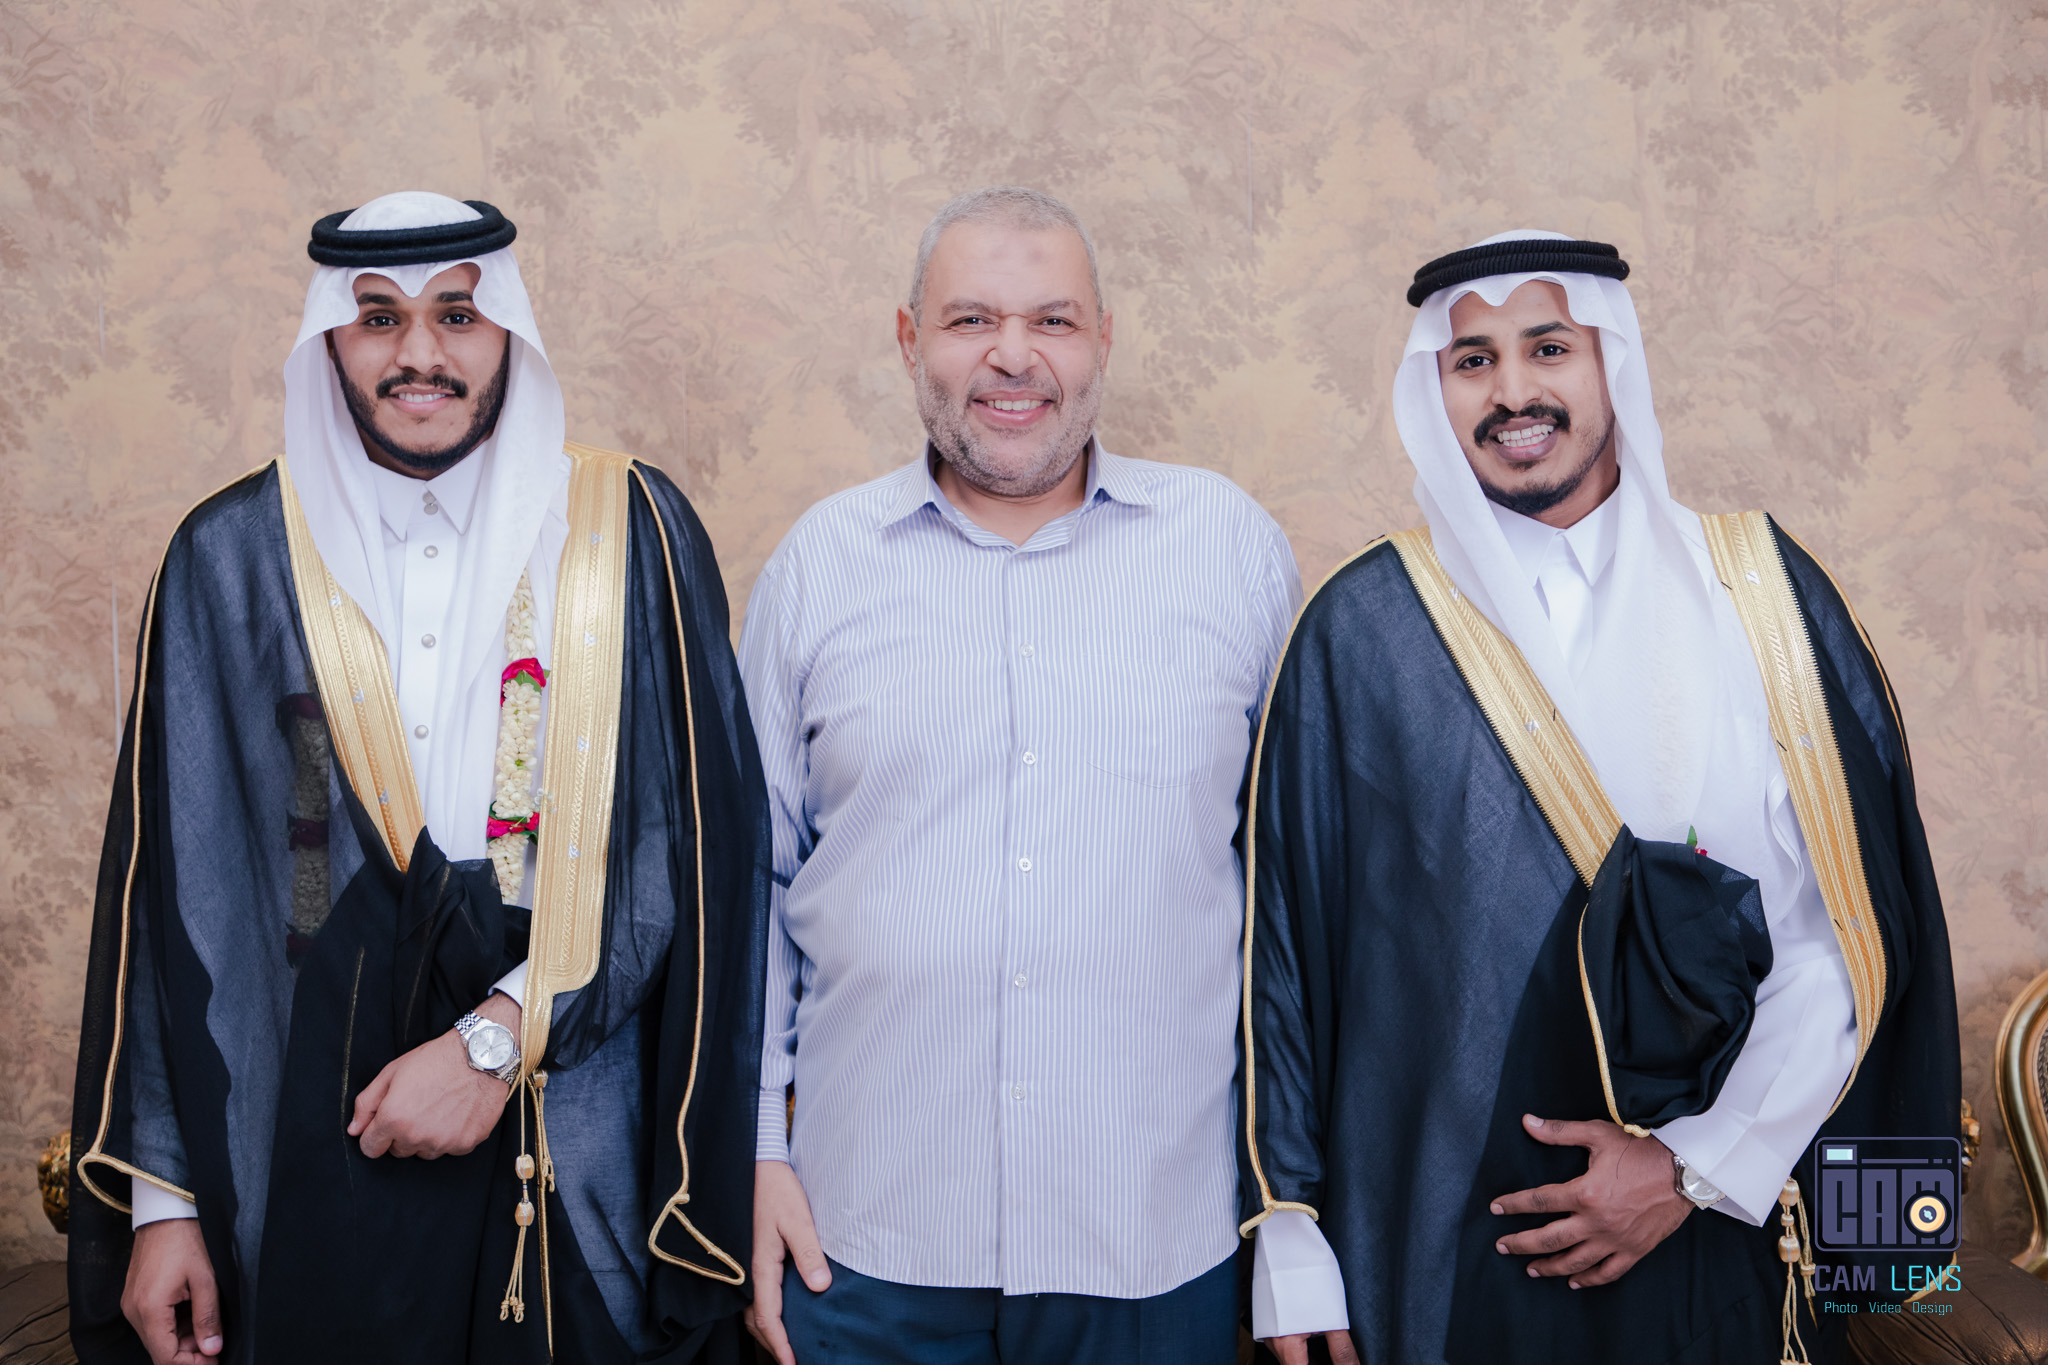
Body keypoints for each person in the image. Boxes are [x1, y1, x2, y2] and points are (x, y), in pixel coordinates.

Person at [68, 191, 769, 1365]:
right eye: (378, 318)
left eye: (457, 314)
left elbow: (682, 852)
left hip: (575, 1135)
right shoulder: (229, 555)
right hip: (307, 1142)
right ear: (328, 340)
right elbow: (183, 902)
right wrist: (165, 1203)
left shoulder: (629, 531)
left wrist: (499, 1037)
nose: (420, 354)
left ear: (509, 331)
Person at [1240, 231, 1959, 1364]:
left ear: (1609, 362)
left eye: (1547, 348)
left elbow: (1849, 936)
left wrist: (1689, 1168)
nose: (1511, 392)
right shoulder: (1365, 628)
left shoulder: (1759, 595)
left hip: (1720, 1225)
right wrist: (1286, 1225)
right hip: (1445, 1232)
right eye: (1471, 361)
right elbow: (1283, 948)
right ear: (1434, 388)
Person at [736, 186, 1301, 1365]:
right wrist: (754, 1153)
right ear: (909, 339)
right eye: (969, 320)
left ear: (1102, 338)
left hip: (1156, 1244)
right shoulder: (817, 568)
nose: (1011, 356)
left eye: (1051, 320)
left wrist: (1291, 1206)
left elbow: (1296, 904)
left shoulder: (1230, 550)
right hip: (863, 1247)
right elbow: (748, 886)